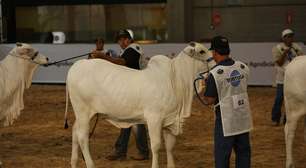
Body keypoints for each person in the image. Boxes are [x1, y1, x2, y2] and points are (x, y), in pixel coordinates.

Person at [91, 29, 149, 161]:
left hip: (136, 90)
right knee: (127, 120)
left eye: (122, 39)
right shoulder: (129, 50)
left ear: (128, 39)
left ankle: (139, 151)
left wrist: (103, 57)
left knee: (136, 121)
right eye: (119, 40)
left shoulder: (134, 48)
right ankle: (122, 150)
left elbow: (122, 62)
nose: (120, 42)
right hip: (133, 89)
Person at [202, 36, 252, 168]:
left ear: (214, 52)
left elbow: (209, 100)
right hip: (242, 118)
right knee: (244, 153)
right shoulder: (243, 67)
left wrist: (204, 87)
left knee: (222, 156)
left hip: (226, 120)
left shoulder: (215, 73)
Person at [271, 29, 303, 126]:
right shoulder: (277, 48)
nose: (290, 38)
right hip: (282, 79)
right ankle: (275, 118)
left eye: (291, 36)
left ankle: (287, 119)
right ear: (283, 38)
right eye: (288, 36)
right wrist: (285, 53)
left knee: (291, 100)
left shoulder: (297, 47)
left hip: (294, 79)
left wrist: (296, 53)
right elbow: (279, 63)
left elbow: (301, 61)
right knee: (279, 99)